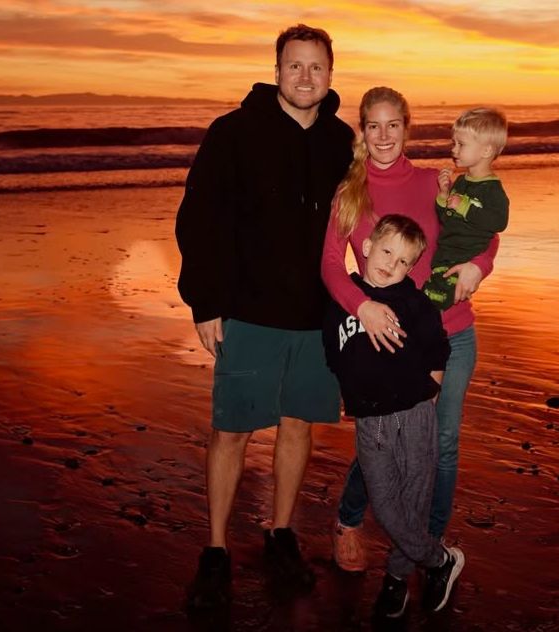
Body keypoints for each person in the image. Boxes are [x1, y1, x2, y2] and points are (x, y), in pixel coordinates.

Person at [175, 24, 354, 609]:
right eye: (294, 66)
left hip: (315, 314)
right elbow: (198, 219)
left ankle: (281, 535)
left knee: (299, 425)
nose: (305, 77)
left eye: (316, 67)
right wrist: (205, 303)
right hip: (247, 310)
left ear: (331, 74)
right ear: (276, 69)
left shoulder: (340, 141)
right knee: (231, 431)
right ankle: (217, 549)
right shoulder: (233, 133)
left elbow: (370, 217)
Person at [320, 87, 499, 574]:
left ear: (407, 127)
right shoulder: (350, 193)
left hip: (452, 334)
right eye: (373, 126)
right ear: (363, 130)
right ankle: (349, 519)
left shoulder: (432, 184)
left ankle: (426, 547)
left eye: (392, 125)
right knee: (382, 441)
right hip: (386, 339)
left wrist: (477, 268)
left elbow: (483, 232)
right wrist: (364, 309)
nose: (383, 135)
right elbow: (333, 266)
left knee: (438, 444)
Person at [323, 214, 463, 618]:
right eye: (386, 252)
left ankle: (397, 579)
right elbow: (334, 353)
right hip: (371, 421)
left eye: (404, 261)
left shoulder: (413, 301)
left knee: (414, 498)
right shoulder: (342, 298)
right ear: (366, 247)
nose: (392, 265)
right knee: (385, 506)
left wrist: (429, 396)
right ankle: (440, 561)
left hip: (415, 413)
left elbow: (438, 350)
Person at [423, 107, 510, 309]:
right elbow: (447, 219)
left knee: (438, 298)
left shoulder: (492, 189)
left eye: (461, 144)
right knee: (433, 290)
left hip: (465, 253)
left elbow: (499, 222)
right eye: (454, 143)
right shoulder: (461, 182)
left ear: (486, 151)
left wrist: (465, 207)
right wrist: (443, 196)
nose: (454, 150)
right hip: (446, 251)